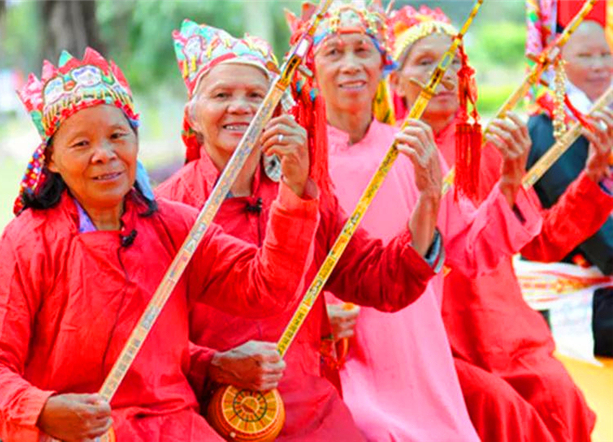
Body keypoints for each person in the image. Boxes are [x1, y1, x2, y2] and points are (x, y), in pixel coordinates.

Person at [0, 48, 323, 442]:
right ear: (50, 160)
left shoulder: (174, 226)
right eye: (81, 144)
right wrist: (42, 411)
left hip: (178, 429)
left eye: (117, 136)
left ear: (135, 142)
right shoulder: (27, 242)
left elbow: (266, 287)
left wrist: (294, 191)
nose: (104, 155)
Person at [156, 20, 443, 441]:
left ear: (276, 113)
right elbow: (146, 343)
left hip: (312, 408)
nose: (240, 107)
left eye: (256, 96)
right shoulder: (166, 209)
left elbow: (381, 279)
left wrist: (429, 198)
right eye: (221, 95)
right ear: (193, 117)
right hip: (206, 414)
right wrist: (214, 363)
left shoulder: (304, 191)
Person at [285, 2, 549, 441]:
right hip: (335, 351)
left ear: (382, 64)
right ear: (311, 70)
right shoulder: (298, 162)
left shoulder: (408, 149)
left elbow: (467, 247)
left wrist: (507, 183)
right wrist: (319, 314)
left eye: (362, 51)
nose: (350, 65)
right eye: (334, 52)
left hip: (415, 347)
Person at [390, 6, 613, 442]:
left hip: (508, 334)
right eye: (425, 64)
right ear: (395, 81)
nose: (444, 74)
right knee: (501, 409)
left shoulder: (488, 148)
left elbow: (541, 244)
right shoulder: (388, 156)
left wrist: (593, 179)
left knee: (560, 396)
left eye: (454, 63)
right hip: (438, 340)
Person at [527, 18, 613, 358]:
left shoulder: (603, 115)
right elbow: (591, 229)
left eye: (605, 55)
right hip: (575, 290)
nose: (599, 65)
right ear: (559, 64)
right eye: (586, 56)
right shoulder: (550, 128)